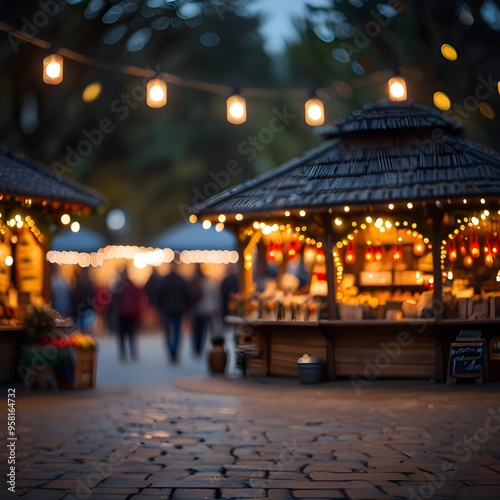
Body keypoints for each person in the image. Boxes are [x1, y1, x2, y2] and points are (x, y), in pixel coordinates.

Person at [155, 260, 192, 363]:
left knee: (167, 332)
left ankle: (171, 349)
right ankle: (174, 350)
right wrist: (188, 308)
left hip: (167, 310)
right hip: (178, 310)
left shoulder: (164, 280)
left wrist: (160, 308)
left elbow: (158, 296)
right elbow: (188, 296)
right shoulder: (181, 280)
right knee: (176, 332)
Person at [114, 268, 146, 361]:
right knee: (131, 334)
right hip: (131, 313)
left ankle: (123, 352)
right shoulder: (132, 285)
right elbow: (138, 299)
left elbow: (115, 300)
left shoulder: (118, 286)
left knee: (122, 334)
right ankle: (132, 351)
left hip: (122, 313)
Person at [190, 264, 222, 357]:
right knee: (206, 330)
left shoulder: (195, 281)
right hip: (208, 309)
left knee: (197, 330)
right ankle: (212, 347)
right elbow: (215, 296)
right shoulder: (209, 282)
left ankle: (197, 348)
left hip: (197, 309)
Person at [69, 267, 95, 333]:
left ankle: (82, 334)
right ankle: (84, 334)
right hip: (84, 307)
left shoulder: (78, 285)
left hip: (80, 308)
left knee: (81, 325)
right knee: (84, 325)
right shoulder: (89, 284)